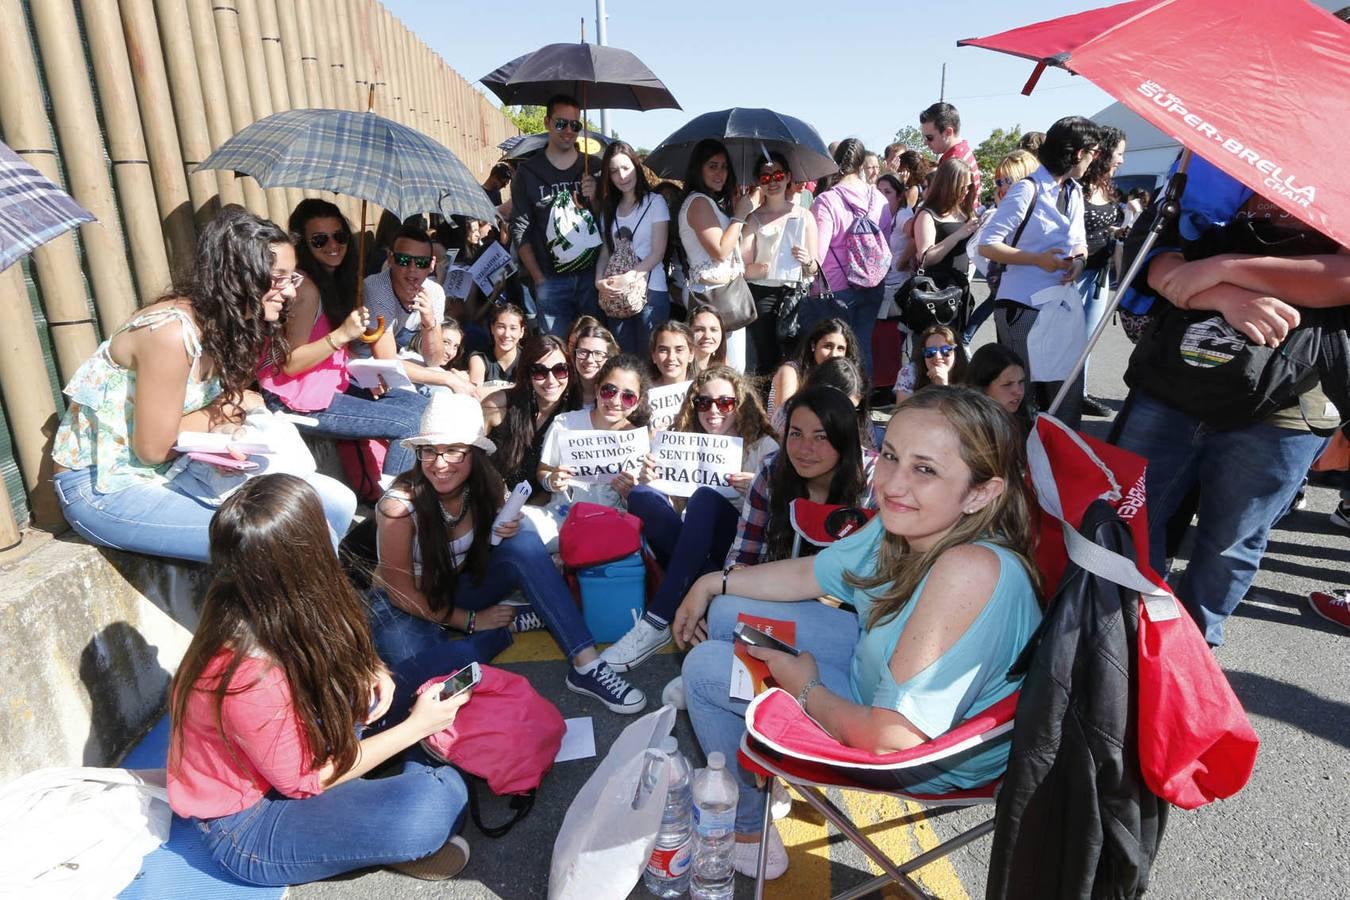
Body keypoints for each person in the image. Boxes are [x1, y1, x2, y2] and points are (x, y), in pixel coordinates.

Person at [676, 386, 1041, 879]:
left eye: (925, 469)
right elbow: (810, 575)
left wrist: (803, 687)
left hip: (923, 754)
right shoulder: (911, 524)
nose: (892, 484)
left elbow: (891, 741)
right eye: (891, 456)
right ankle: (751, 751)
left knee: (703, 669)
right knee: (726, 614)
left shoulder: (967, 569)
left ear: (982, 492)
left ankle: (747, 828)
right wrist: (709, 582)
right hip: (874, 668)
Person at [167, 474, 473, 885]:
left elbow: (336, 655)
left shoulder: (265, 597)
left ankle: (383, 801)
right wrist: (416, 728)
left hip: (305, 747)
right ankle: (390, 809)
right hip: (248, 824)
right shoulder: (245, 673)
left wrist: (372, 670)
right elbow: (307, 781)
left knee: (423, 673)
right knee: (438, 802)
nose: (334, 529)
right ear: (301, 556)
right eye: (320, 523)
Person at [1112, 154, 1350, 646]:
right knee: (1129, 520)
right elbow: (1158, 256)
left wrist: (1225, 268)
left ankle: (1189, 661)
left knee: (1229, 545)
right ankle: (1116, 646)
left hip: (1287, 400)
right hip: (1174, 380)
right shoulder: (1220, 147)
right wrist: (1218, 295)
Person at [52, 207, 353, 564]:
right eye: (278, 278)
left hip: (174, 469)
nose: (290, 291)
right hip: (107, 487)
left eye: (293, 278)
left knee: (337, 501)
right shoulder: (171, 332)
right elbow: (152, 448)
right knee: (295, 535)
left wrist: (227, 426)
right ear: (239, 276)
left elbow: (212, 411)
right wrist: (231, 406)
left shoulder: (231, 323)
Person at [371, 393, 646, 714]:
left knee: (525, 542)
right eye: (429, 451)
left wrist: (506, 529)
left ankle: (587, 666)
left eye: (453, 451)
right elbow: (400, 593)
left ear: (473, 453)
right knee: (427, 687)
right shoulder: (398, 507)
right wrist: (473, 621)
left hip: (461, 589)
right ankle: (497, 633)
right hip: (406, 607)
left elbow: (496, 546)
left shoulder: (485, 482)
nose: (439, 463)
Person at [603, 366, 780, 670]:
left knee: (705, 499)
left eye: (725, 403)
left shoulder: (764, 447)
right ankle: (697, 596)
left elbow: (782, 517)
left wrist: (759, 487)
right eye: (704, 402)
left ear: (741, 404)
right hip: (699, 552)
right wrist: (651, 481)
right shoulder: (682, 441)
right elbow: (674, 515)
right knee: (642, 497)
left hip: (743, 552)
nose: (714, 410)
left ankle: (656, 619)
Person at [256, 206, 434, 482]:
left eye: (339, 236)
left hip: (330, 383)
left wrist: (367, 370)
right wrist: (341, 334)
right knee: (409, 425)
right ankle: (394, 511)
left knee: (421, 406)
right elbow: (290, 364)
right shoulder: (306, 289)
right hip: (295, 398)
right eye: (320, 239)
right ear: (303, 243)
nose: (333, 245)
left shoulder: (335, 280)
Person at [977, 116, 1096, 429]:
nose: (1094, 160)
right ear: (1079, 153)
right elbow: (987, 245)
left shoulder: (1075, 192)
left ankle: (1057, 469)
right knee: (1021, 398)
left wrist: (1078, 263)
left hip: (1060, 307)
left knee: (1063, 397)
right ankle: (1018, 468)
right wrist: (1036, 259)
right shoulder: (1026, 189)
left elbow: (1080, 244)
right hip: (1022, 307)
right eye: (1093, 152)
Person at [509, 93, 599, 337]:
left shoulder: (594, 167)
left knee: (593, 350)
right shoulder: (527, 172)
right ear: (547, 122)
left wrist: (597, 198)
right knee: (555, 351)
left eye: (575, 125)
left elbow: (609, 220)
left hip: (591, 278)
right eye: (561, 123)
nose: (568, 130)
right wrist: (539, 278)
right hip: (550, 279)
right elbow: (519, 227)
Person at [486, 334, 576, 546]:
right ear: (527, 373)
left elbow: (550, 490)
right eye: (540, 372)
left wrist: (519, 513)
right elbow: (470, 457)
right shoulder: (499, 405)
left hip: (534, 513)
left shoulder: (572, 417)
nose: (551, 380)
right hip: (487, 503)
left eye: (560, 370)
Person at [810, 138, 890, 375]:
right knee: (862, 347)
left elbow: (818, 255)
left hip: (836, 289)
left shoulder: (827, 201)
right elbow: (885, 246)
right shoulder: (879, 199)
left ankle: (836, 404)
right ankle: (862, 405)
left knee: (833, 352)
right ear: (861, 163)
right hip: (873, 285)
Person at [538, 354, 652, 514]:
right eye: (609, 390)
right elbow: (543, 470)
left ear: (637, 403)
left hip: (613, 523)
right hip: (562, 517)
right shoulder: (565, 424)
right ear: (597, 389)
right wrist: (551, 481)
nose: (615, 401)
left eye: (628, 397)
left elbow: (642, 504)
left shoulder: (640, 440)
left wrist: (629, 494)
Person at [679, 139, 756, 371]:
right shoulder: (698, 202)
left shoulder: (712, 202)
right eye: (712, 166)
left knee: (727, 370)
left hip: (723, 296)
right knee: (725, 372)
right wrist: (740, 215)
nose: (720, 173)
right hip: (713, 298)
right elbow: (720, 251)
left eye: (724, 167)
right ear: (698, 168)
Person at [741, 152, 819, 376]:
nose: (772, 181)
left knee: (795, 358)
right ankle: (768, 406)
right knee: (767, 359)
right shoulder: (753, 219)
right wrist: (764, 266)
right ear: (759, 183)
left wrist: (807, 260)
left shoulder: (805, 216)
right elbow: (744, 267)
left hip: (796, 294)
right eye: (765, 178)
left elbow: (814, 267)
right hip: (762, 294)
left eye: (777, 175)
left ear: (788, 177)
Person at [595, 140, 671, 355]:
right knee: (624, 361)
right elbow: (606, 250)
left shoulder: (655, 202)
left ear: (636, 167)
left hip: (650, 291)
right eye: (614, 171)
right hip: (615, 295)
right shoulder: (608, 208)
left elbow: (658, 252)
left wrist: (629, 277)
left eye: (626, 168)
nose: (622, 176)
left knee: (650, 360)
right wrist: (599, 281)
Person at [963, 150, 1040, 347]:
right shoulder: (1003, 211)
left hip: (1032, 296)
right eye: (998, 182)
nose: (1001, 187)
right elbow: (984, 249)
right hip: (1007, 294)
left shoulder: (1039, 211)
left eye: (1006, 180)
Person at [1076, 126, 1127, 418]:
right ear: (1104, 152)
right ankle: (1054, 392)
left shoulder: (1108, 187)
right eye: (1118, 153)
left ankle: (1078, 393)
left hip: (1099, 275)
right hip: (1072, 274)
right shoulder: (1077, 185)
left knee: (1088, 338)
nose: (1121, 160)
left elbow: (1106, 223)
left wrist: (1118, 231)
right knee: (1063, 337)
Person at [911, 158, 980, 335]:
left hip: (960, 291)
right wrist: (959, 234)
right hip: (936, 295)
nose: (966, 191)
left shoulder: (964, 213)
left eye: (969, 187)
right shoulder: (928, 214)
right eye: (962, 187)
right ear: (949, 185)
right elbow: (926, 258)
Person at [768, 317, 858, 425]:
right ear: (813, 345)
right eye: (828, 346)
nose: (834, 354)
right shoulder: (791, 372)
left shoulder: (845, 378)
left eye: (840, 349)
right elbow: (782, 422)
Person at [919, 101, 982, 202]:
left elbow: (943, 206)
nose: (925, 142)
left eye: (929, 137)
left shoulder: (955, 161)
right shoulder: (961, 152)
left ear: (948, 132)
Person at [965, 343, 1032, 432]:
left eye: (1021, 381)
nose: (1018, 391)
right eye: (1007, 384)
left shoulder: (1027, 426)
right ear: (982, 387)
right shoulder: (967, 431)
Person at [894, 325, 968, 403]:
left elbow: (961, 414)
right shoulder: (910, 373)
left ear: (957, 352)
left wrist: (942, 387)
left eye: (945, 350)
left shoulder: (970, 376)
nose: (938, 357)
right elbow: (903, 413)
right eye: (930, 351)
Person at [467, 302, 527, 390]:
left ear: (521, 332)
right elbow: (475, 394)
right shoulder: (479, 358)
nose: (506, 334)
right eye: (501, 327)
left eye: (513, 328)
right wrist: (515, 388)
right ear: (492, 329)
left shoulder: (528, 358)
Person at [568, 322, 618, 409]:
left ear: (609, 358)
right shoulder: (564, 394)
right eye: (583, 352)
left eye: (598, 353)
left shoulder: (618, 396)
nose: (589, 360)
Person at [650, 320, 696, 386]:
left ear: (691, 354)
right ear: (653, 355)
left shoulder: (703, 390)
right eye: (663, 350)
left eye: (679, 350)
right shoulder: (644, 393)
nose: (671, 358)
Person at [689, 304, 729, 374]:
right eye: (699, 329)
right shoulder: (680, 368)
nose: (707, 336)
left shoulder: (724, 365)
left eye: (713, 330)